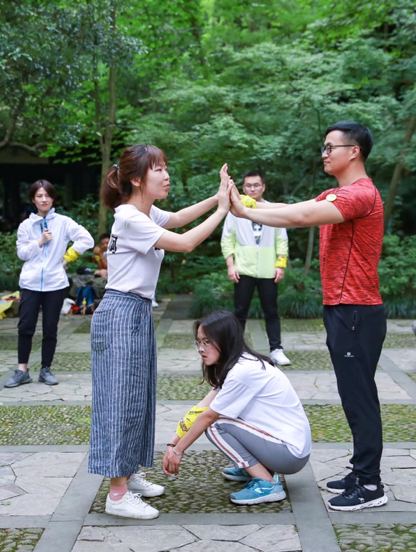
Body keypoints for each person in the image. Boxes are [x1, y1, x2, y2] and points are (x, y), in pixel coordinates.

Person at [229, 121, 387, 512]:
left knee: (360, 398)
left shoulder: (361, 194)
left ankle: (370, 484)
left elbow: (299, 218)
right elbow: (287, 209)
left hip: (356, 309)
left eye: (331, 147)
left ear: (354, 151)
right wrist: (245, 204)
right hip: (343, 307)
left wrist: (244, 209)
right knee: (353, 395)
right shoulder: (336, 193)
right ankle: (360, 471)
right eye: (324, 147)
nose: (324, 153)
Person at [90, 145, 234, 520]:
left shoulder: (144, 212)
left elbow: (180, 218)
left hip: (135, 311)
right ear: (138, 179)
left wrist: (217, 196)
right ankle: (117, 494)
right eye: (158, 169)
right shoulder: (128, 218)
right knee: (121, 401)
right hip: (121, 313)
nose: (166, 175)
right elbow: (185, 242)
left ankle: (128, 474)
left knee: (139, 397)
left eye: (166, 167)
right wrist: (222, 210)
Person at [162, 311, 311, 505]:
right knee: (217, 417)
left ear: (225, 341)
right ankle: (254, 468)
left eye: (207, 342)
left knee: (215, 424)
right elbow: (199, 410)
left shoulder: (243, 371)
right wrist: (172, 444)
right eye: (198, 342)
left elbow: (208, 417)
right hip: (283, 445)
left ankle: (267, 484)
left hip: (289, 453)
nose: (201, 349)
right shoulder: (237, 364)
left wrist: (178, 451)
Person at [6, 180, 94, 388]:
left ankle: (46, 369)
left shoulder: (63, 222)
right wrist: (39, 242)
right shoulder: (26, 225)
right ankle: (22, 370)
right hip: (30, 283)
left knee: (50, 328)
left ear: (53, 198)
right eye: (39, 196)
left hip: (55, 283)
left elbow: (87, 239)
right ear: (33, 199)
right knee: (25, 326)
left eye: (47, 195)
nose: (44, 199)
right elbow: (22, 253)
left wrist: (68, 257)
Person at [221, 170, 291, 366]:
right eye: (248, 186)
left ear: (263, 187)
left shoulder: (273, 209)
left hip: (268, 269)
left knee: (271, 311)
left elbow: (282, 239)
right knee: (240, 311)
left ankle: (276, 349)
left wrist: (280, 265)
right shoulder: (235, 211)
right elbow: (227, 239)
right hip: (244, 268)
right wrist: (230, 265)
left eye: (256, 185)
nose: (252, 189)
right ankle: (235, 351)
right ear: (243, 188)